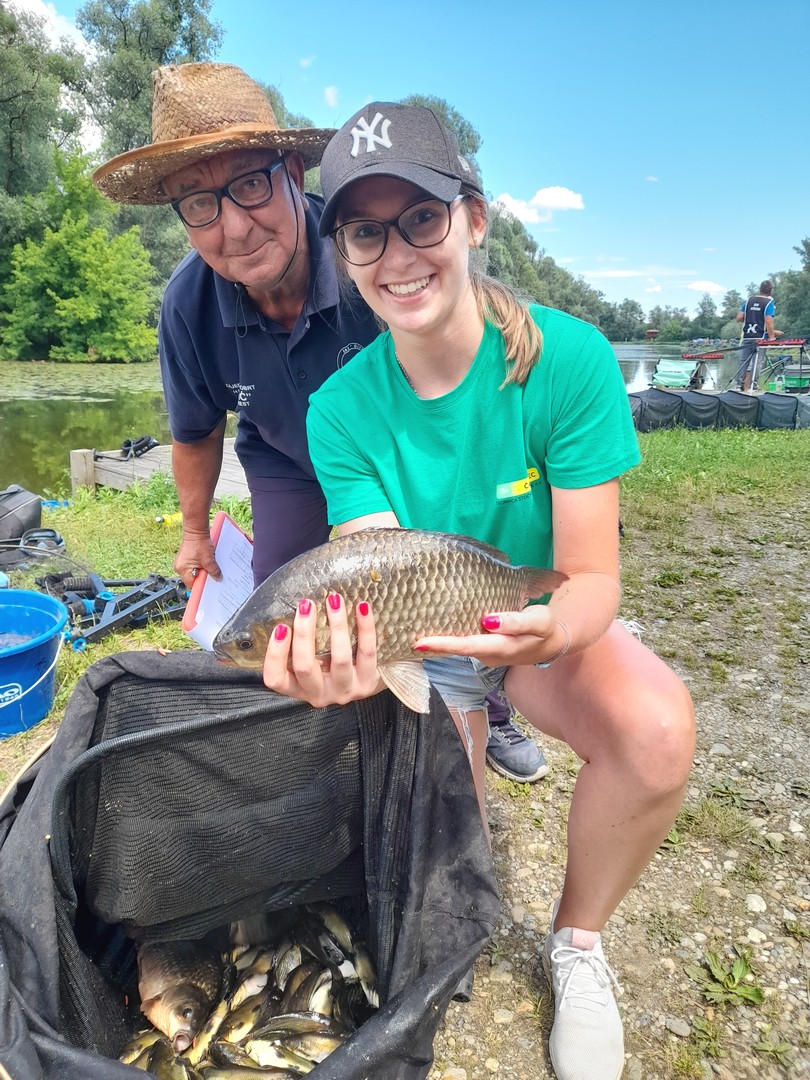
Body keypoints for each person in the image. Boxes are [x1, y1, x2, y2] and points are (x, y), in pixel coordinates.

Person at [260, 103, 696, 1080]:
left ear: (475, 220)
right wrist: (351, 658)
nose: (397, 254)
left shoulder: (570, 360)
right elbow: (374, 576)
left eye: (421, 217)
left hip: (536, 617)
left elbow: (589, 578)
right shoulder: (340, 409)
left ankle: (577, 945)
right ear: (341, 253)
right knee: (438, 800)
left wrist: (539, 632)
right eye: (365, 231)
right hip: (430, 635)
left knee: (659, 730)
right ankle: (449, 889)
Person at [92, 63, 545, 783]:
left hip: (399, 451)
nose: (234, 226)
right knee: (284, 614)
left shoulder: (375, 253)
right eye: (198, 204)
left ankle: (488, 708)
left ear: (292, 172)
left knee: (439, 575)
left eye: (248, 184)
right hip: (282, 453)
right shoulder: (186, 305)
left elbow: (465, 350)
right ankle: (331, 742)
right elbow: (194, 430)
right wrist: (190, 530)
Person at [734, 279, 781, 390]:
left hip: (747, 336)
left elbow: (739, 318)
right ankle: (752, 385)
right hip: (760, 338)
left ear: (759, 289)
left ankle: (738, 385)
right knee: (757, 361)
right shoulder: (769, 302)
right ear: (771, 290)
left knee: (743, 361)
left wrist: (752, 317)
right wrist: (772, 337)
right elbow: (769, 321)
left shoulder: (749, 300)